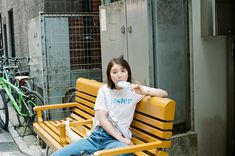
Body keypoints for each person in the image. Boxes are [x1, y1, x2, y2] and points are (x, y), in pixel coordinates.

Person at [51, 56, 168, 156]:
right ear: (110, 75)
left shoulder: (134, 90)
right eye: (115, 72)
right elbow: (102, 119)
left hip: (114, 142)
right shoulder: (104, 91)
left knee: (125, 154)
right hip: (97, 137)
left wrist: (143, 91)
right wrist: (120, 138)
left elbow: (163, 93)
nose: (119, 75)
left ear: (128, 72)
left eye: (123, 71)